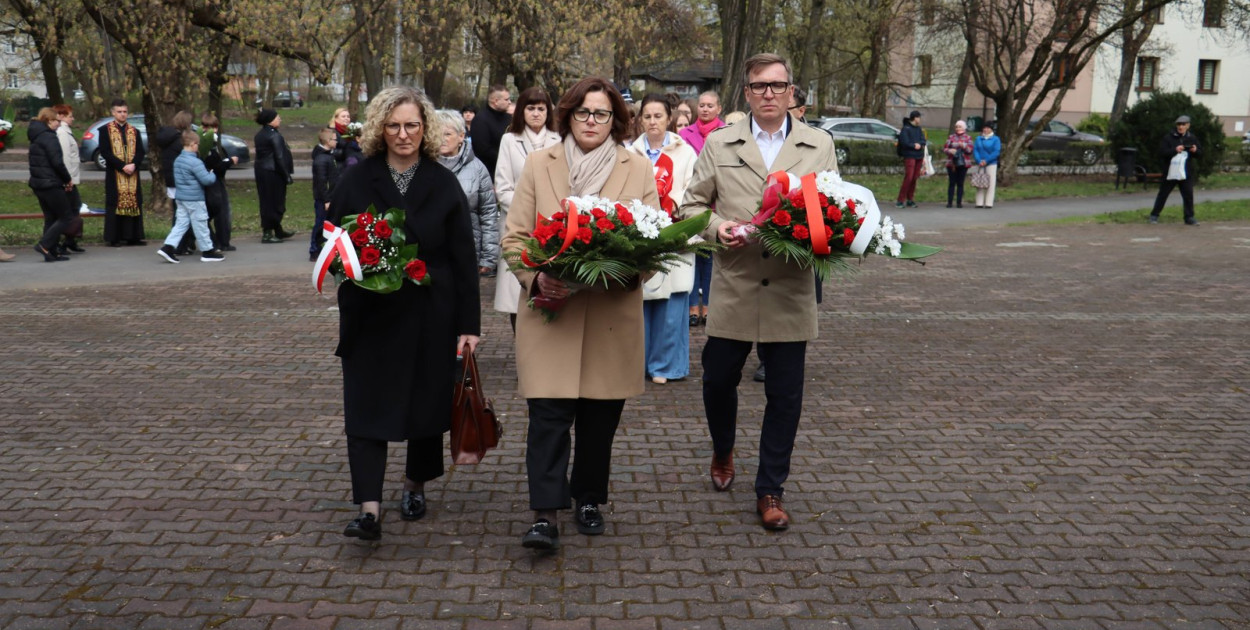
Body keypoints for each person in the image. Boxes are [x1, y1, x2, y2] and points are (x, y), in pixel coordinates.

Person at [676, 53, 838, 532]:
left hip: (790, 286)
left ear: (792, 91)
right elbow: (691, 205)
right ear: (745, 93)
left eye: (777, 85)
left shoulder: (818, 143)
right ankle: (723, 447)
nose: (769, 93)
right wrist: (719, 226)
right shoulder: (722, 142)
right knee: (717, 381)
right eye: (759, 86)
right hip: (735, 283)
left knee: (785, 396)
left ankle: (770, 488)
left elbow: (832, 205)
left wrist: (818, 232)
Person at [501, 77, 659, 551]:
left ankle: (588, 497)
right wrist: (536, 279)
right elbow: (514, 239)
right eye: (584, 113)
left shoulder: (638, 169)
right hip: (552, 316)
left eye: (602, 114)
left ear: (616, 120)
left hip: (611, 316)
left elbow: (656, 241)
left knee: (598, 421)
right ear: (567, 115)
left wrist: (628, 271)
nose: (592, 122)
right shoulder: (537, 164)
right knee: (547, 418)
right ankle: (545, 514)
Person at [329, 86, 481, 542]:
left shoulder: (442, 181)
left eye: (412, 124)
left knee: (424, 407)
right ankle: (368, 507)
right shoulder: (357, 179)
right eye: (393, 125)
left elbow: (463, 258)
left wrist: (469, 326)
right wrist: (356, 261)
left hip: (430, 313)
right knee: (365, 406)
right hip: (370, 315)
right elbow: (333, 242)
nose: (403, 134)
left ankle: (414, 485)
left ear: (425, 128)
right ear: (379, 128)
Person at [627, 93, 697, 385]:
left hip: (675, 231)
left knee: (672, 306)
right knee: (641, 302)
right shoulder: (630, 153)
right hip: (641, 233)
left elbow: (695, 188)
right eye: (647, 116)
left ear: (669, 118)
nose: (653, 122)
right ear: (639, 119)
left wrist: (672, 201)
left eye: (658, 116)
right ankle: (637, 363)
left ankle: (666, 366)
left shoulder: (686, 152)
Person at [493, 86, 560, 332]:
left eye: (541, 108)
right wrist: (529, 211)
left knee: (549, 289)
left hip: (551, 226)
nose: (535, 114)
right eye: (530, 108)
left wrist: (549, 214)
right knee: (516, 294)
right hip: (518, 225)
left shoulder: (559, 139)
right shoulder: (509, 140)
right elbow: (502, 186)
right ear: (521, 111)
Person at [680, 92, 725, 329]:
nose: (705, 109)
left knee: (710, 260)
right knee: (691, 258)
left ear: (719, 108)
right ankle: (691, 307)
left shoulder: (726, 134)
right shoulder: (683, 135)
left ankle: (707, 305)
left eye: (710, 105)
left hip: (717, 206)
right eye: (702, 105)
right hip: (692, 202)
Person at [436, 109, 499, 277]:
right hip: (432, 251)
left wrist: (489, 256)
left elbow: (488, 214)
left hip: (468, 249)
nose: (441, 138)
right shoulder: (422, 167)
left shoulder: (477, 169)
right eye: (436, 133)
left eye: (447, 134)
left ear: (461, 136)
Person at [157, 130, 225, 263]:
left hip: (181, 197)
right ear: (193, 144)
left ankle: (168, 247)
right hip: (194, 198)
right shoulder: (195, 162)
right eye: (198, 144)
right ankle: (208, 251)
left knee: (181, 224)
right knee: (201, 224)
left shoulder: (178, 160)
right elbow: (207, 180)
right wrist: (213, 173)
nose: (198, 147)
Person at [28, 108, 74, 262]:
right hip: (50, 183)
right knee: (66, 216)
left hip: (38, 183)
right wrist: (67, 179)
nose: (59, 124)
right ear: (49, 121)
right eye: (56, 121)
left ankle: (51, 251)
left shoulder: (36, 136)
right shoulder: (49, 137)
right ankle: (44, 245)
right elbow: (57, 163)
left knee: (51, 217)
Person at [100, 98, 146, 246]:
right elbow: (106, 152)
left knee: (134, 202)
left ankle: (133, 236)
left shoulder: (134, 131)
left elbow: (140, 151)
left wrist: (134, 164)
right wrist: (121, 166)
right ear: (113, 113)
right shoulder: (105, 130)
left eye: (125, 112)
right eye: (119, 112)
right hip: (115, 174)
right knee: (115, 203)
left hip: (132, 173)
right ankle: (114, 237)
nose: (122, 114)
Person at [154, 111, 195, 255]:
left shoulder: (167, 138)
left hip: (171, 179)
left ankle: (183, 244)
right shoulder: (179, 141)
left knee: (179, 213)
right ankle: (180, 244)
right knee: (182, 215)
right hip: (181, 180)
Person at [1149, 115, 1202, 226]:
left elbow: (1200, 154)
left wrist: (1195, 150)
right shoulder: (1168, 138)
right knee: (1163, 194)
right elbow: (1162, 153)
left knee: (1188, 195)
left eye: (1183, 124)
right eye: (1179, 124)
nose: (1180, 127)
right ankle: (1154, 215)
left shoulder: (1192, 138)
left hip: (1185, 173)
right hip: (1170, 172)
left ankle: (1189, 217)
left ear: (1188, 125)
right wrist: (1175, 150)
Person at [253, 108, 296, 243]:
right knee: (275, 202)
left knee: (266, 200)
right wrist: (286, 175)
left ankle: (277, 229)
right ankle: (268, 232)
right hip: (273, 172)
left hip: (262, 171)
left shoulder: (260, 134)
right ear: (270, 120)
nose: (280, 119)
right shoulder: (274, 136)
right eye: (277, 117)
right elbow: (279, 156)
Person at [198, 114, 238, 251]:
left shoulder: (213, 142)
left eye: (215, 127)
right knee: (218, 212)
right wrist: (229, 161)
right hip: (212, 183)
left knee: (219, 213)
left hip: (216, 181)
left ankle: (222, 241)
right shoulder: (205, 145)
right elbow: (215, 166)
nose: (213, 130)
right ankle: (217, 242)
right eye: (209, 127)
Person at [52, 105, 84, 255]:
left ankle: (70, 240)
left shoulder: (66, 131)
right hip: (68, 180)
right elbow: (64, 158)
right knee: (68, 211)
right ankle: (62, 242)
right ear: (62, 116)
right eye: (70, 116)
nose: (73, 118)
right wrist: (67, 180)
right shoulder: (62, 133)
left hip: (71, 179)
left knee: (74, 209)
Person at [468, 85, 513, 180]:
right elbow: (482, 150)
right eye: (506, 99)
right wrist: (507, 159)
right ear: (496, 101)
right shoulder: (480, 120)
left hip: (510, 171)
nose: (510, 102)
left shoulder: (510, 119)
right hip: (489, 173)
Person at [309, 128, 340, 261]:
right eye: (334, 139)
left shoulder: (328, 155)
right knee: (320, 224)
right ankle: (314, 249)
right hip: (324, 199)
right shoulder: (322, 159)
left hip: (329, 197)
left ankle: (325, 248)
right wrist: (327, 199)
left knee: (326, 223)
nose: (337, 141)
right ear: (328, 141)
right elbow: (322, 182)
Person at [896, 110, 926, 209]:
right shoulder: (906, 129)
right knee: (909, 177)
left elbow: (923, 140)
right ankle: (900, 200)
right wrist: (914, 145)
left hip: (919, 156)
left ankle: (910, 199)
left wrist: (921, 144)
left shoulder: (919, 129)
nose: (920, 119)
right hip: (909, 155)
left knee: (914, 177)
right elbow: (904, 142)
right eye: (919, 117)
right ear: (915, 118)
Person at [942, 120, 974, 208]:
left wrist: (963, 146)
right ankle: (949, 202)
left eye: (960, 126)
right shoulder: (951, 137)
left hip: (963, 163)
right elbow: (944, 148)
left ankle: (959, 202)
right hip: (952, 163)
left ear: (964, 127)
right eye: (956, 127)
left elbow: (970, 150)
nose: (958, 128)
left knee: (960, 183)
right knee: (952, 182)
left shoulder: (968, 138)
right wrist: (949, 150)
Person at [972, 121, 1000, 209]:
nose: (985, 130)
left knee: (991, 183)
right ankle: (979, 202)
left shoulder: (996, 139)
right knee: (980, 182)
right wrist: (978, 160)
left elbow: (996, 151)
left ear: (991, 129)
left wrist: (987, 160)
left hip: (991, 163)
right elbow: (975, 150)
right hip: (980, 163)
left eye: (988, 128)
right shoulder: (978, 139)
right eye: (984, 128)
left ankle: (989, 203)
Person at [329, 108, 364, 172]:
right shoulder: (331, 131)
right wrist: (346, 152)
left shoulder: (350, 130)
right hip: (338, 166)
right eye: (343, 116)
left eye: (348, 116)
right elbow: (331, 150)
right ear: (336, 118)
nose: (346, 118)